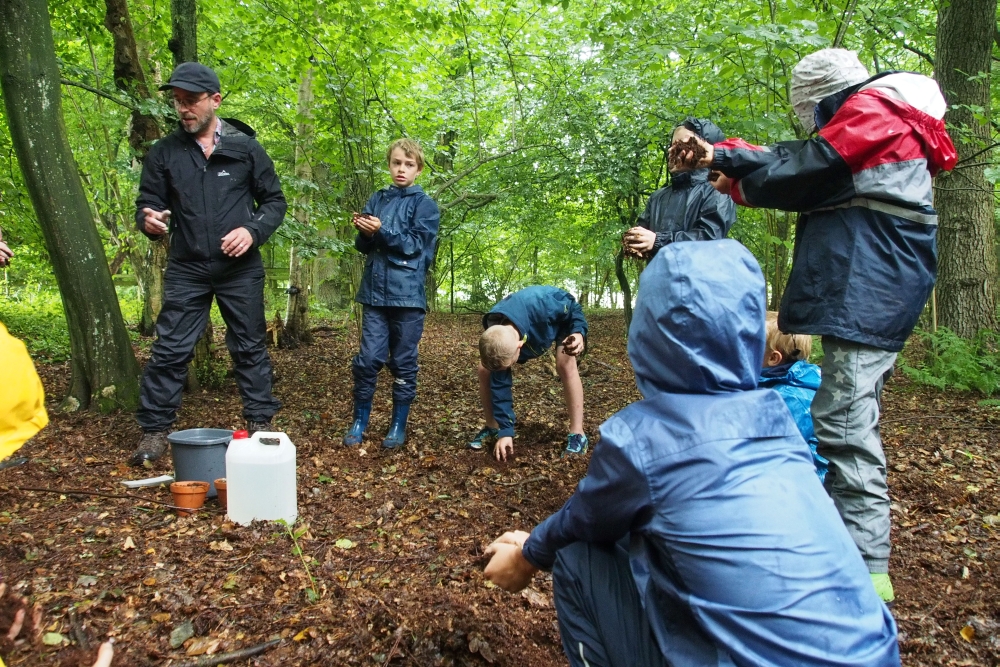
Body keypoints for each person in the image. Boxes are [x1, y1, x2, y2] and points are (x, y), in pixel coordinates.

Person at [483, 240, 900, 667]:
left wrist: (528, 552)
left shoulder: (643, 439)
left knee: (575, 555)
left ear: (647, 336)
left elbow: (582, 523)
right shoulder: (776, 416)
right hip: (872, 652)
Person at [672, 48, 957, 603]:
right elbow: (804, 169)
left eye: (811, 109)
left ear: (827, 96)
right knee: (845, 414)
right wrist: (727, 165)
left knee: (844, 419)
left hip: (873, 286)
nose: (813, 122)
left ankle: (865, 574)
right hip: (869, 283)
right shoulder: (874, 125)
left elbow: (808, 165)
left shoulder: (876, 114)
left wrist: (729, 165)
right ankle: (838, 540)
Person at [129, 62, 287, 467]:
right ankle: (154, 431)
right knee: (170, 349)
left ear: (214, 100)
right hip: (188, 265)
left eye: (191, 101)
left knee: (249, 345)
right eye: (178, 102)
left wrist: (253, 231)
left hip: (240, 268)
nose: (183, 109)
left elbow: (274, 202)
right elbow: (148, 204)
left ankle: (259, 424)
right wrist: (149, 220)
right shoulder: (164, 152)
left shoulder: (246, 148)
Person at [342, 138, 440, 450]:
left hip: (408, 296)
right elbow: (364, 247)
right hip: (374, 294)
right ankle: (360, 421)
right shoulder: (378, 198)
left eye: (408, 164)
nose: (401, 169)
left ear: (418, 169)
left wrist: (380, 231)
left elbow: (415, 246)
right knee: (368, 359)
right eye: (397, 163)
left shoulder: (425, 206)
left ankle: (398, 425)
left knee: (403, 362)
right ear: (389, 165)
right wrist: (363, 231)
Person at [470, 286, 588, 460]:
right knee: (485, 370)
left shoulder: (544, 306)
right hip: (528, 332)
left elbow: (572, 307)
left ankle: (578, 434)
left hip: (559, 320)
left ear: (520, 346)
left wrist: (578, 333)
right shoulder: (496, 332)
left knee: (565, 364)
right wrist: (506, 431)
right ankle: (493, 428)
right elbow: (500, 383)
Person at [622, 118, 736, 259]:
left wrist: (657, 241)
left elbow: (710, 238)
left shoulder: (717, 190)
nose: (671, 150)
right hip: (659, 277)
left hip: (699, 279)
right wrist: (635, 240)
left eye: (679, 145)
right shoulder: (658, 197)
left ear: (702, 148)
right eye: (671, 145)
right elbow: (644, 234)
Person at [759, 311, 827, 481]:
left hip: (810, 482)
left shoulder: (790, 398)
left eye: (749, 345)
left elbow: (767, 451)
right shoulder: (777, 384)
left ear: (773, 358)